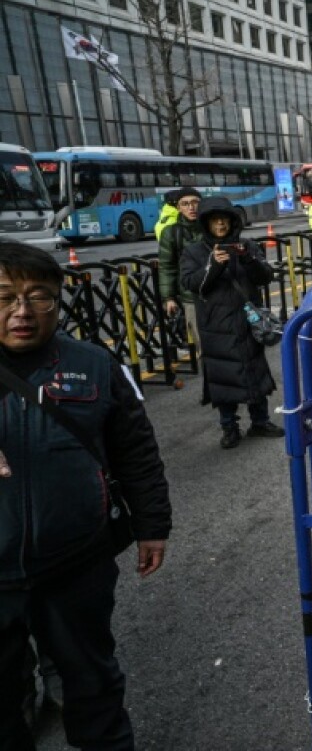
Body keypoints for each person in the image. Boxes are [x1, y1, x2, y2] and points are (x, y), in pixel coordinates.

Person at [0, 240, 171, 750]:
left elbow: (135, 450)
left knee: (92, 685)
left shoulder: (96, 364)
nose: (21, 312)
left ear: (59, 300)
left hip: (76, 563)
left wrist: (153, 525)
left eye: (38, 297)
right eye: (5, 297)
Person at [179, 197, 284, 449]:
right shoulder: (194, 251)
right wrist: (213, 265)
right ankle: (229, 427)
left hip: (247, 321)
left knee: (255, 369)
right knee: (222, 377)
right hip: (217, 324)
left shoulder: (246, 245)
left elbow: (265, 277)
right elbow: (192, 284)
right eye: (214, 219)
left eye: (224, 218)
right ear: (206, 223)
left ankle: (260, 421)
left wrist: (248, 258)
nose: (220, 223)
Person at [156, 186, 203, 347]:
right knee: (203, 345)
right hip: (190, 297)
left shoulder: (211, 227)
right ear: (178, 207)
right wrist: (168, 298)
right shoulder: (171, 232)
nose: (191, 207)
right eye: (185, 204)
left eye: (195, 202)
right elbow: (167, 266)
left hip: (218, 295)